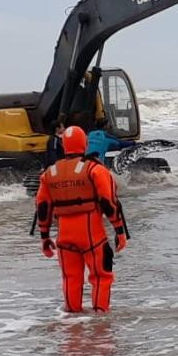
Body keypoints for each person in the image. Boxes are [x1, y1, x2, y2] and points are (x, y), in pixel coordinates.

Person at [35, 126, 128, 313]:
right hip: (92, 235)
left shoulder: (49, 173)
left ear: (64, 145)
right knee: (101, 276)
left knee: (70, 278)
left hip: (64, 237)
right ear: (84, 144)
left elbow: (42, 207)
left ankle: (72, 321)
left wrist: (45, 237)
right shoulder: (95, 169)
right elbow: (108, 202)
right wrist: (119, 230)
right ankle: (100, 321)